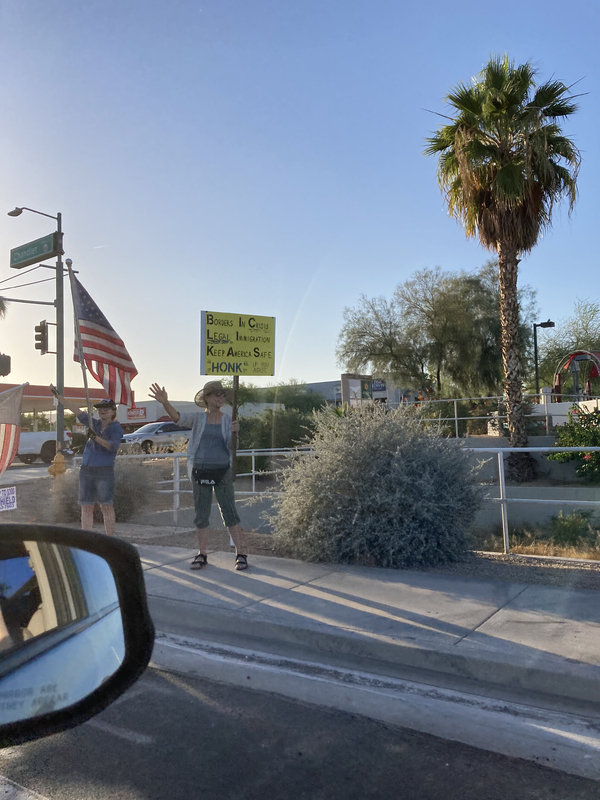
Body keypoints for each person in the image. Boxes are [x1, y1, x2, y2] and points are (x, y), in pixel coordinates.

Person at [149, 380, 248, 571]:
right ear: (206, 398)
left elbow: (232, 448)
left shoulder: (229, 420)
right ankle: (202, 553)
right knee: (201, 513)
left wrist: (235, 434)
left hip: (222, 470)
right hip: (200, 469)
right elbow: (178, 418)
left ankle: (240, 553)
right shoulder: (197, 418)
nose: (220, 398)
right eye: (215, 394)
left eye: (222, 395)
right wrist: (165, 402)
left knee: (229, 511)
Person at [50, 388, 123, 536]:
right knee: (86, 505)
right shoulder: (94, 424)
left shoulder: (116, 428)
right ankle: (87, 538)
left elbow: (112, 447)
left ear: (113, 411)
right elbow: (77, 411)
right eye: (100, 409)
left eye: (106, 409)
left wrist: (95, 438)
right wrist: (59, 397)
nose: (102, 411)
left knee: (106, 506)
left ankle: (110, 539)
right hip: (87, 469)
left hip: (104, 471)